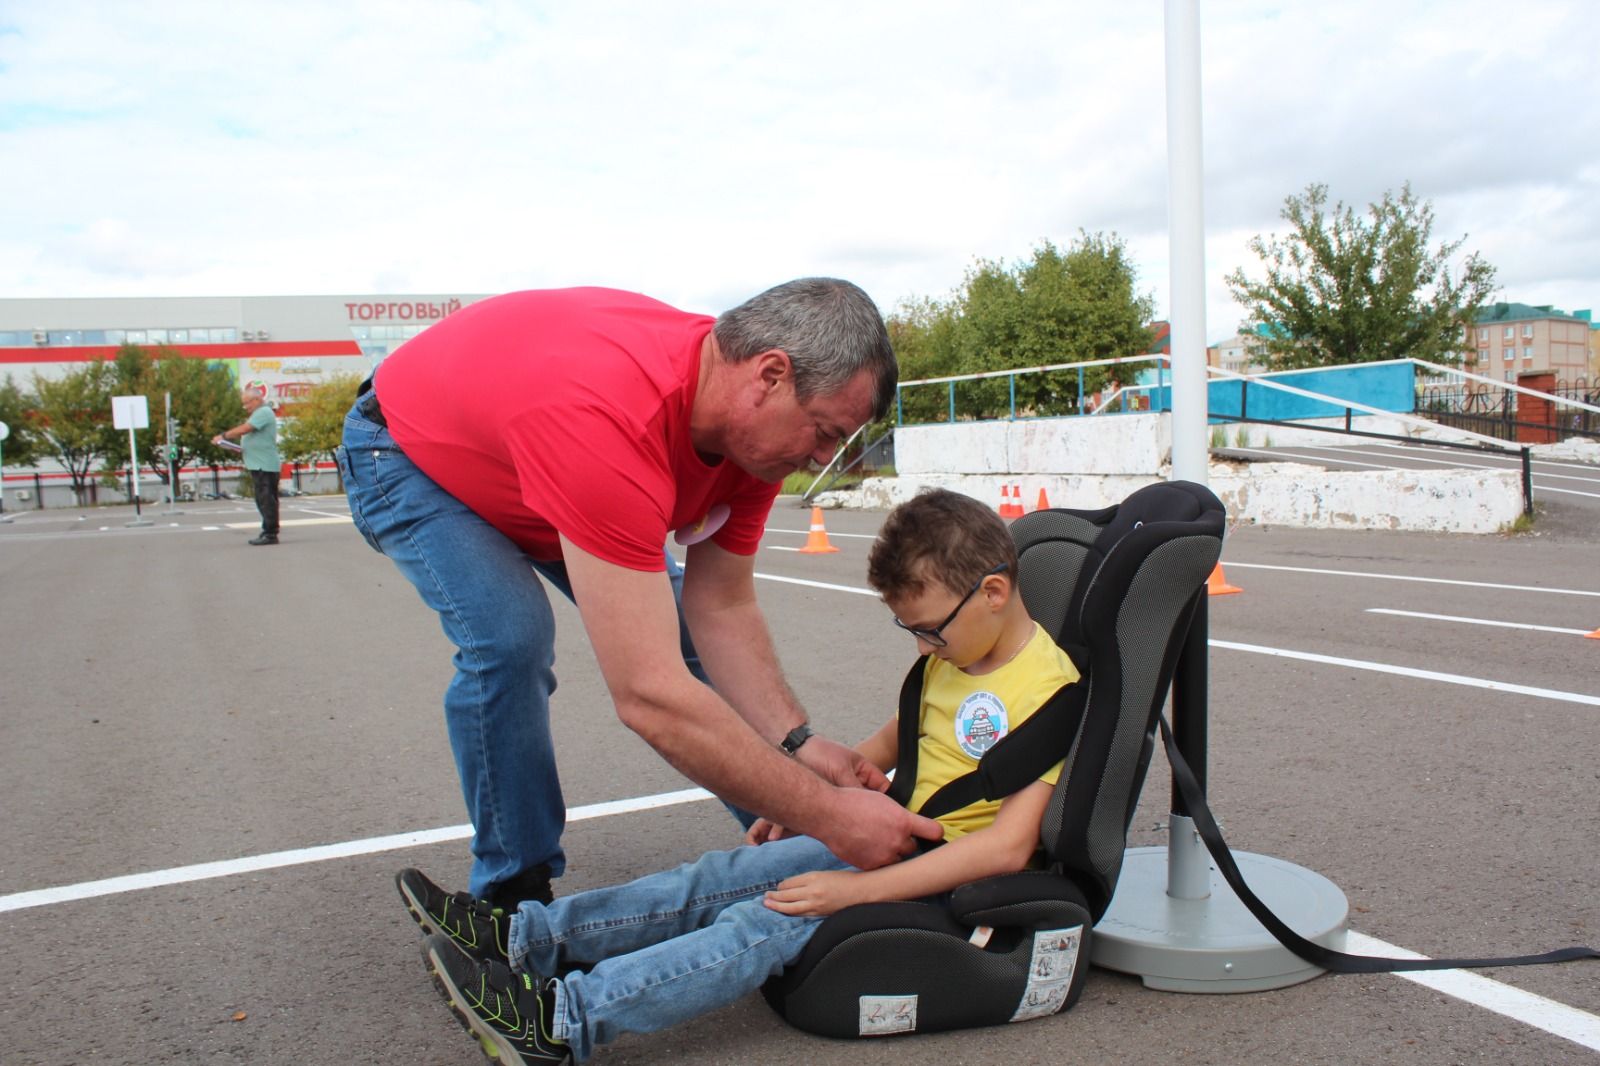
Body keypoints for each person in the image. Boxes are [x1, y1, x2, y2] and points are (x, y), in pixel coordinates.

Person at [398, 488, 1083, 1064]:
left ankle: (560, 1022)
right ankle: (524, 939)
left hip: (947, 875)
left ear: (993, 592)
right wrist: (816, 804)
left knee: (761, 922)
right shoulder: (959, 654)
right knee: (714, 876)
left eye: (929, 631)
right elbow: (891, 743)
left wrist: (854, 893)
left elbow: (1005, 848)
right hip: (895, 837)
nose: (922, 646)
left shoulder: (1046, 691)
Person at [336, 280, 945, 911]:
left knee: (684, 633)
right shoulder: (610, 416)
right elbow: (649, 695)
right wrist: (834, 815)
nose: (823, 457)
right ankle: (511, 894)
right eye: (824, 432)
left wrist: (802, 747)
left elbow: (721, 609)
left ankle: (787, 841)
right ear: (769, 375)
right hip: (410, 451)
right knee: (508, 636)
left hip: (542, 456)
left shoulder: (751, 437)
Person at [212, 380, 280, 545]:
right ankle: (268, 530)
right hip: (259, 463)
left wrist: (224, 436)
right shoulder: (260, 413)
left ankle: (270, 533)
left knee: (266, 498)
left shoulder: (263, 412)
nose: (246, 407)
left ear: (256, 400)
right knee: (262, 498)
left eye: (247, 404)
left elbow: (246, 428)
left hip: (265, 464)